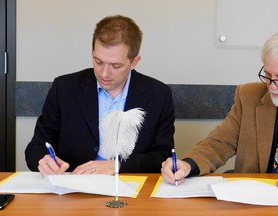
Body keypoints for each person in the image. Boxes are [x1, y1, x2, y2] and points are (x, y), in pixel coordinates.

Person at [25, 15, 175, 176]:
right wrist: (43, 159)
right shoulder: (64, 88)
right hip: (74, 188)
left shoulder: (159, 94)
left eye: (116, 66)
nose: (104, 73)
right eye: (98, 61)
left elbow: (162, 156)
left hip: (130, 187)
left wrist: (116, 166)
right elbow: (37, 146)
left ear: (134, 62)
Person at [161, 32, 278, 185]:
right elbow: (219, 143)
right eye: (268, 75)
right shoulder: (250, 96)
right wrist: (189, 164)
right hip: (253, 202)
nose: (271, 86)